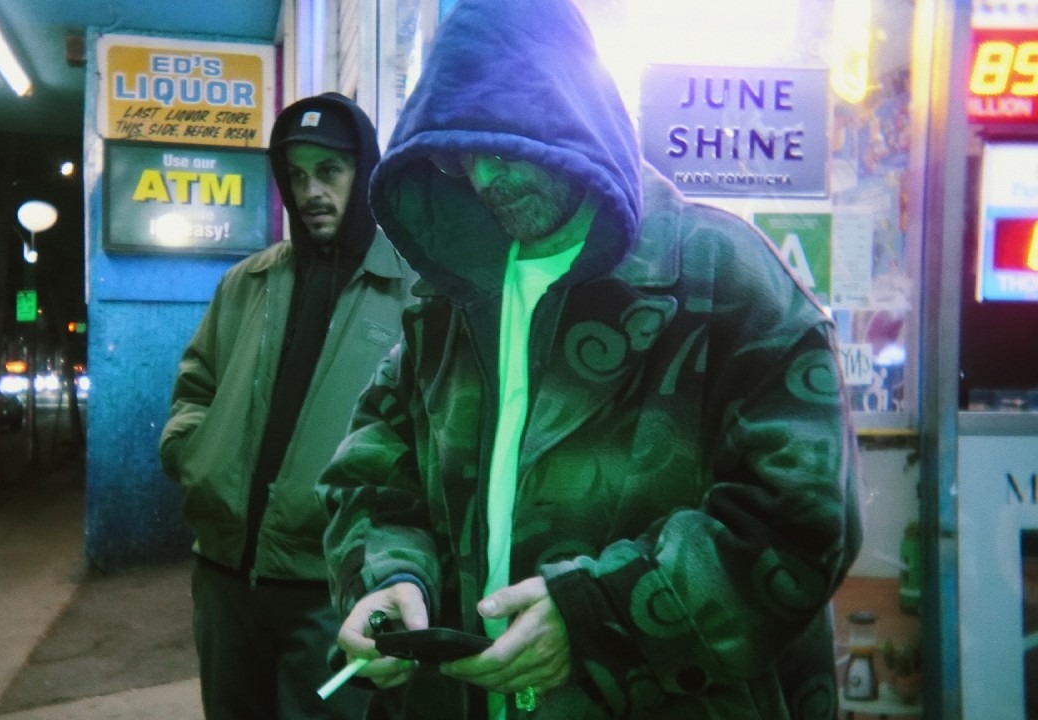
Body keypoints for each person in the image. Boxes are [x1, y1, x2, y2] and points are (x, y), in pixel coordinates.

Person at [318, 0, 862, 718]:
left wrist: (601, 618)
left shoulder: (722, 276)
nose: (484, 177)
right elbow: (374, 471)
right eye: (460, 155)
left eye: (505, 146)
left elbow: (800, 518)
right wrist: (392, 576)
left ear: (570, 115)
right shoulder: (453, 299)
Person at [160, 91, 417, 720]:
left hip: (333, 585)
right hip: (225, 575)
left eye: (329, 171)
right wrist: (195, 457)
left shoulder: (412, 293)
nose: (311, 192)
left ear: (365, 173)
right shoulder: (246, 283)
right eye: (296, 176)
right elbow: (196, 387)